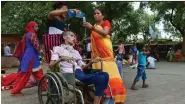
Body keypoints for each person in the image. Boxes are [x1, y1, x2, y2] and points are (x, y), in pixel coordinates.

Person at [49, 31, 109, 104]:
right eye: (71, 36)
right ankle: (97, 101)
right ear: (64, 37)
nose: (74, 38)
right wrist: (61, 59)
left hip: (80, 72)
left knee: (105, 75)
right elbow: (51, 65)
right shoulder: (58, 49)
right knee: (101, 78)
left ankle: (98, 99)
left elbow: (82, 67)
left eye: (74, 36)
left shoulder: (76, 52)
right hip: (69, 74)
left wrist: (91, 62)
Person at [83, 8, 126, 103]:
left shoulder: (105, 22)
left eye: (98, 13)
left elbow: (105, 33)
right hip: (98, 58)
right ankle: (102, 98)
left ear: (103, 16)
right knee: (101, 78)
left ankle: (114, 98)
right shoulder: (94, 26)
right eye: (94, 13)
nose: (95, 15)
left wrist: (92, 28)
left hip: (107, 56)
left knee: (111, 78)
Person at [11, 21, 46, 95]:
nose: (37, 28)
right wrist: (42, 51)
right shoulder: (32, 34)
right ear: (32, 27)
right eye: (36, 26)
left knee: (35, 73)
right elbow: (35, 45)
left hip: (28, 55)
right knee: (27, 75)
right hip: (31, 56)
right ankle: (15, 91)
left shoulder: (26, 35)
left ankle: (44, 87)